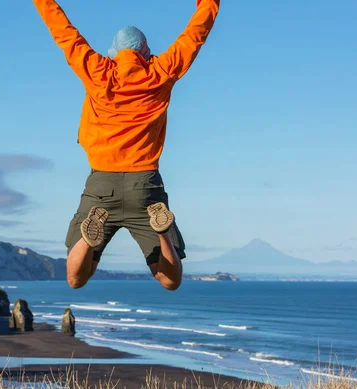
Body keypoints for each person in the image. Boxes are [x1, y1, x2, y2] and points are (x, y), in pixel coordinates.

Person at [32, 0, 220, 291]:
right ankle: (164, 236)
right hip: (146, 188)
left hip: (101, 186)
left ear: (114, 53)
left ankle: (86, 240)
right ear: (145, 53)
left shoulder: (97, 71)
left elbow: (63, 31)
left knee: (75, 279)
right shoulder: (161, 72)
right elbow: (195, 34)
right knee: (170, 281)